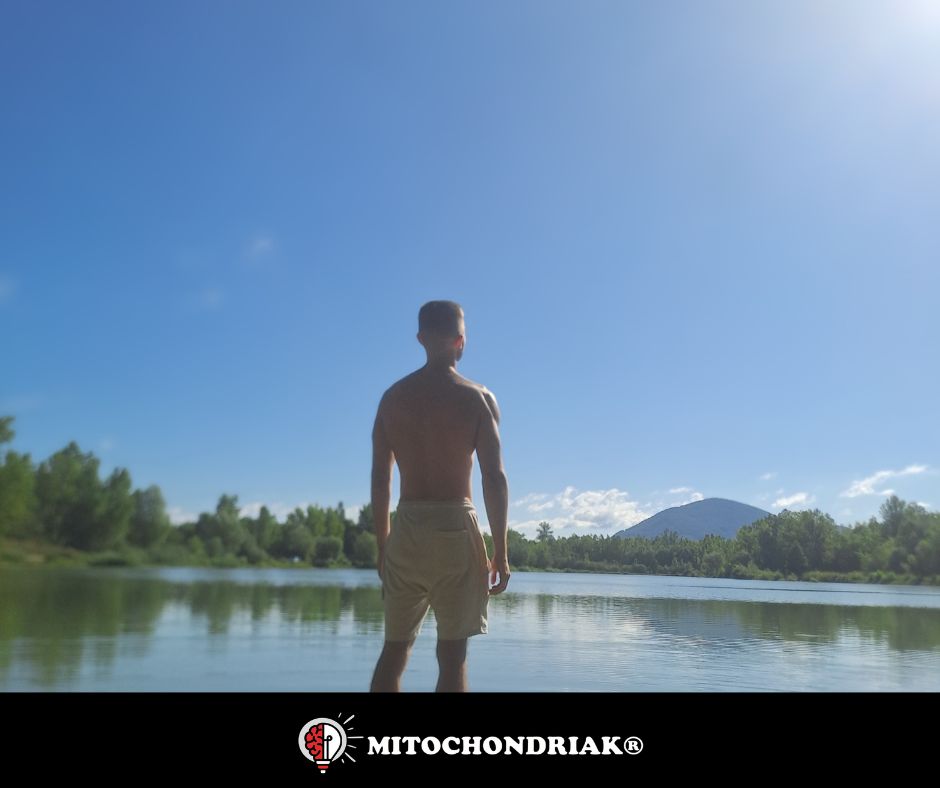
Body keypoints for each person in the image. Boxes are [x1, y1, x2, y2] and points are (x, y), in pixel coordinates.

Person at [369, 299, 510, 692]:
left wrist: (384, 547)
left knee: (394, 651)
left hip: (407, 526)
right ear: (460, 341)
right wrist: (500, 550)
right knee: (452, 656)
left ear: (420, 339)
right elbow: (493, 478)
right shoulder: (478, 398)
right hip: (455, 526)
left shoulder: (392, 399)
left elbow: (381, 480)